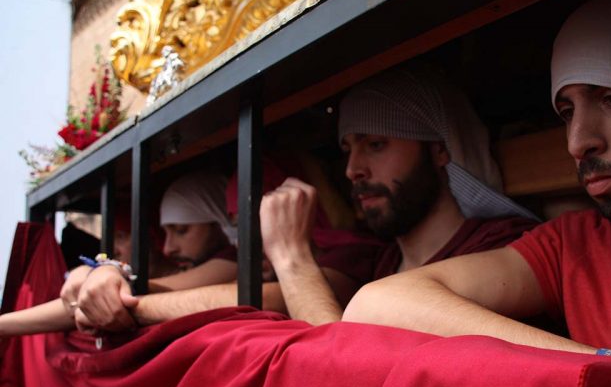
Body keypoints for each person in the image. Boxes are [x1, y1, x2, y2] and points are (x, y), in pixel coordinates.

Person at [343, 0, 611, 370]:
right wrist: (608, 370)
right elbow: (376, 305)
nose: (579, 142)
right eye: (566, 113)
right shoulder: (574, 247)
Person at [70, 64, 538, 331]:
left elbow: (350, 368)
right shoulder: (378, 265)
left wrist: (293, 257)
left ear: (440, 149)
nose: (354, 169)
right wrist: (112, 277)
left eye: (377, 145)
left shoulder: (501, 248)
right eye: (347, 149)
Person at [0, 171, 237, 336]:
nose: (168, 248)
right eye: (166, 234)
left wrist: (105, 274)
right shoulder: (201, 263)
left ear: (220, 223)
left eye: (182, 230)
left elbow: (138, 291)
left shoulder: (233, 260)